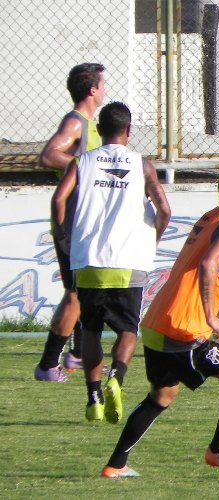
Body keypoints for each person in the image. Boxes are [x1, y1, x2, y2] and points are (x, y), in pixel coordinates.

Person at [100, 163, 219, 478]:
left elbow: (213, 274)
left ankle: (115, 465)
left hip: (158, 323)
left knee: (162, 396)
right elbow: (207, 265)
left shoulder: (211, 218)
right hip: (184, 330)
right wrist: (211, 317)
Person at [52, 101, 171, 422]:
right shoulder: (142, 165)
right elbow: (165, 210)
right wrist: (152, 241)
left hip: (89, 259)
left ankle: (93, 396)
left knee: (90, 330)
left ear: (99, 131)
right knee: (128, 330)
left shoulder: (81, 162)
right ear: (129, 132)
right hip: (130, 260)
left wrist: (62, 235)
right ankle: (116, 377)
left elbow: (59, 199)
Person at [35, 62, 106, 382]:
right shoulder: (76, 122)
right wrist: (86, 169)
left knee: (88, 291)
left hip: (85, 224)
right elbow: (49, 155)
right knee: (76, 294)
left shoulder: (91, 125)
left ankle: (78, 355)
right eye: (103, 84)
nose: (105, 89)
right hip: (71, 224)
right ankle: (48, 365)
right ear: (92, 90)